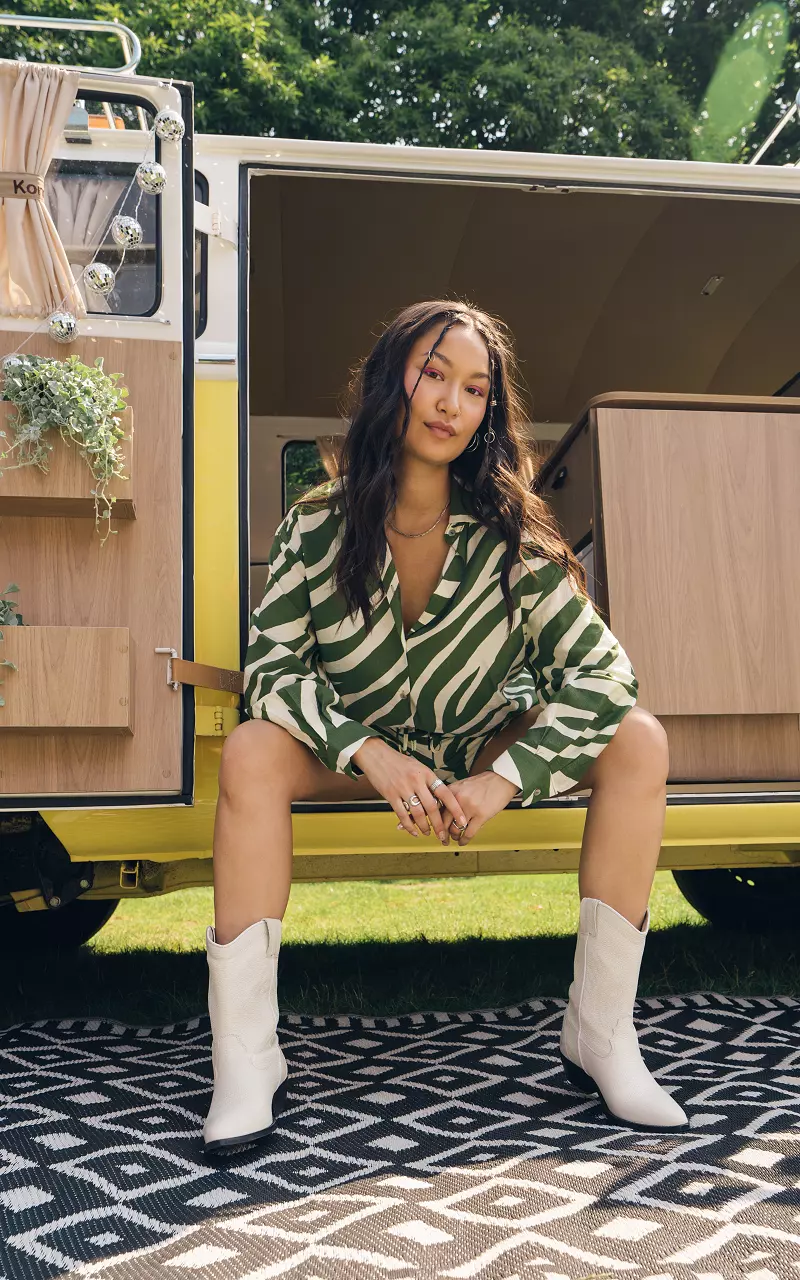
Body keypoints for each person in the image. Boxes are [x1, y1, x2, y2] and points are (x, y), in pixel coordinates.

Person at [202, 299, 687, 1153]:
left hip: (480, 746)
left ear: (487, 414)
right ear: (393, 377)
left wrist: (505, 779)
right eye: (434, 373)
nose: (451, 402)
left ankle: (602, 1033)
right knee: (250, 750)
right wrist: (373, 755)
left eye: (474, 389)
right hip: (358, 751)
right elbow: (271, 675)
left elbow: (608, 675)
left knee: (638, 738)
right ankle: (246, 1055)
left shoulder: (511, 532)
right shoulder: (315, 523)